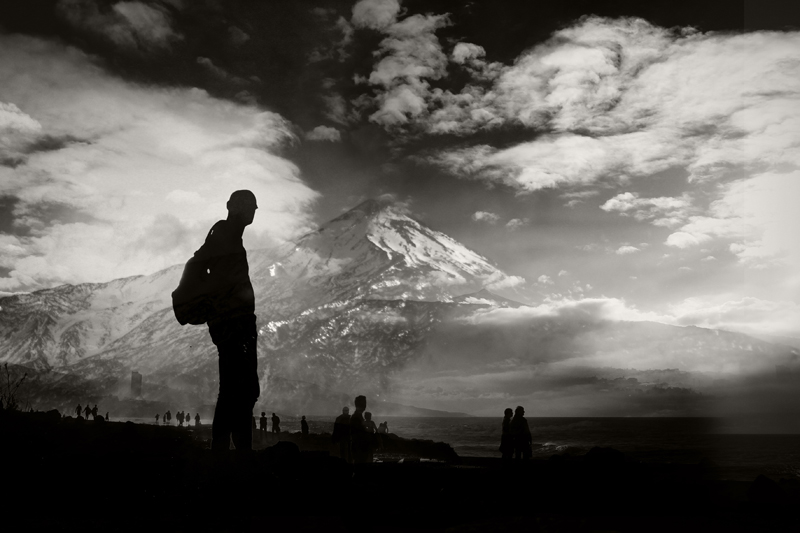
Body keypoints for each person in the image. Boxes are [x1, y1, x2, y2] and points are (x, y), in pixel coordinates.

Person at [194, 190, 260, 452]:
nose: (253, 211)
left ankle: (229, 450)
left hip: (234, 325)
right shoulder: (224, 236)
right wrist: (222, 313)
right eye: (250, 207)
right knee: (239, 389)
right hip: (234, 326)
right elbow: (206, 270)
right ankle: (229, 451)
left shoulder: (225, 237)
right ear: (235, 208)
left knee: (239, 389)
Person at [350, 396, 370, 464]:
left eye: (365, 403)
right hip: (359, 448)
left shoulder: (358, 417)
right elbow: (359, 435)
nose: (365, 406)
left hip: (359, 448)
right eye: (363, 404)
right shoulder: (356, 418)